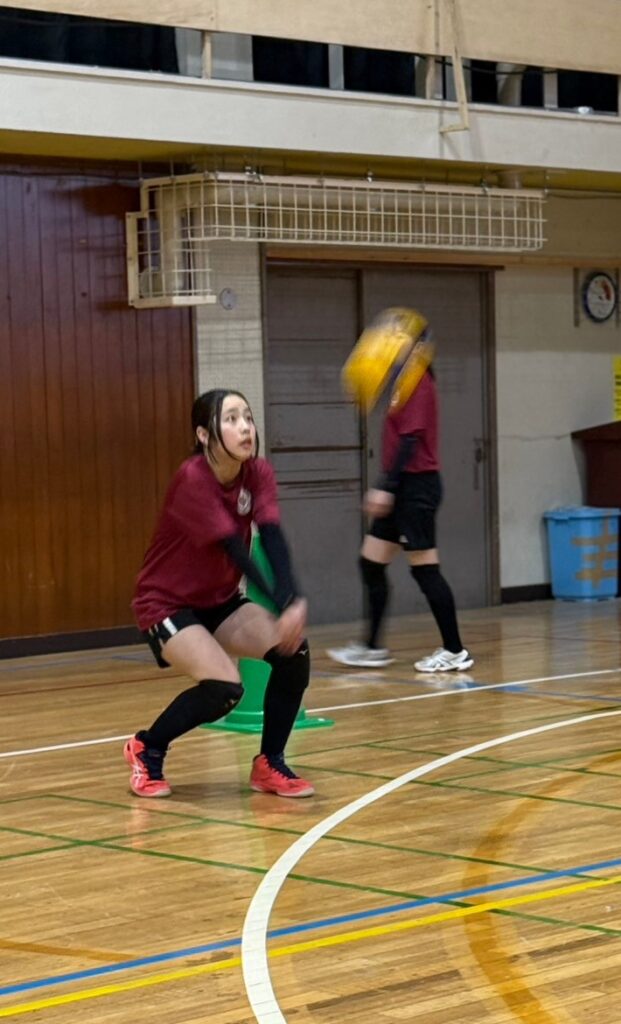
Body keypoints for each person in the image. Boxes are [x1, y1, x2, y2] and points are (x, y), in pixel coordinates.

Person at [125, 388, 314, 799]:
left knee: (293, 652)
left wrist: (291, 600)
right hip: (166, 604)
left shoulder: (257, 472)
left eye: (248, 417)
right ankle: (147, 747)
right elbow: (233, 548)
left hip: (220, 600)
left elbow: (273, 536)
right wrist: (279, 603)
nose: (245, 428)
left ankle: (269, 763)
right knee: (225, 687)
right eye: (231, 420)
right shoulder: (193, 478)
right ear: (203, 435)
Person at [327, 360, 473, 673]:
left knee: (425, 570)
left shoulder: (418, 379)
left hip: (416, 488)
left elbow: (410, 439)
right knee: (370, 563)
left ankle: (454, 650)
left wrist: (386, 487)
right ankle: (372, 647)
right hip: (402, 488)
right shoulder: (401, 382)